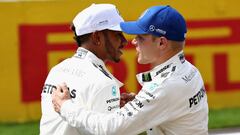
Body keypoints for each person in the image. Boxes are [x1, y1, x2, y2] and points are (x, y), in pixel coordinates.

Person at [52, 5, 209, 135]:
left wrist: (66, 106)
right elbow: (169, 105)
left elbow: (112, 129)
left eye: (141, 37)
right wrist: (141, 103)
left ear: (162, 43)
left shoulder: (166, 87)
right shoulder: (189, 70)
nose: (133, 41)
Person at [40, 3, 128, 135]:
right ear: (97, 37)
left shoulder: (57, 70)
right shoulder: (104, 82)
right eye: (117, 35)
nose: (124, 41)